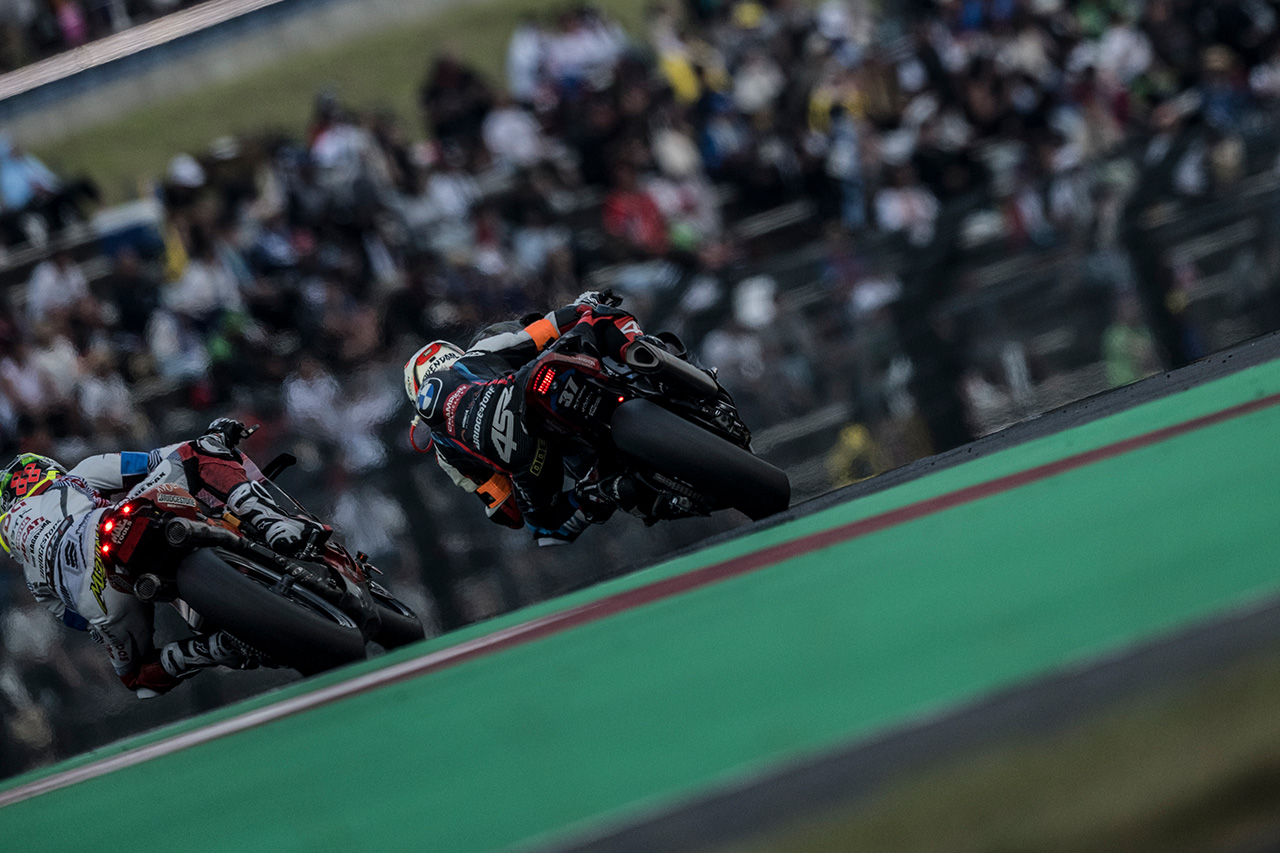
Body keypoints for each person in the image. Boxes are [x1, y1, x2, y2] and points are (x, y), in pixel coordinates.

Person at [0, 419, 329, 698]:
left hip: (98, 597)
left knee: (138, 680)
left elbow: (71, 618)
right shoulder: (75, 476)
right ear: (47, 470)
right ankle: (272, 524)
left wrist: (99, 627)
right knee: (199, 450)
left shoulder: (29, 570)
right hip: (108, 526)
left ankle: (215, 650)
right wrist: (220, 436)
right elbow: (159, 459)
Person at [403, 291, 654, 545]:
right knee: (597, 319)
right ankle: (652, 358)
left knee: (548, 530)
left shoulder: (445, 451)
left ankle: (602, 491)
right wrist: (585, 306)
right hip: (556, 400)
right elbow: (543, 331)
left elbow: (507, 511)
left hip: (540, 455)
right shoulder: (478, 352)